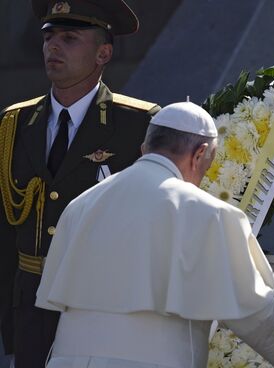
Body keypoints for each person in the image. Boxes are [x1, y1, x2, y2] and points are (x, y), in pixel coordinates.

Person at [35, 102, 274, 368]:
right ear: (199, 155)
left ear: (143, 148)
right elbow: (254, 310)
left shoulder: (80, 206)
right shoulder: (209, 213)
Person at [0, 1, 159, 366]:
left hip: (101, 310)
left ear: (103, 53)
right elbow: (5, 234)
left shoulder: (139, 124)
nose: (53, 47)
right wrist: (9, 328)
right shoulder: (15, 124)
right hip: (32, 311)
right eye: (49, 37)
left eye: (70, 38)